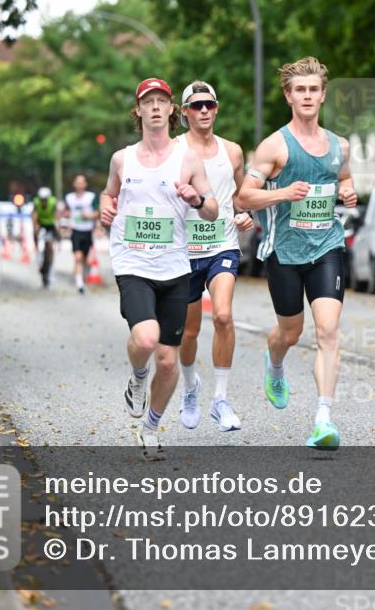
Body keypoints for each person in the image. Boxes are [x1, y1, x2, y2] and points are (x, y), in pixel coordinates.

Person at [237, 57, 357, 450]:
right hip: (284, 252)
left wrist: (349, 191)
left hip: (327, 247)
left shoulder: (339, 146)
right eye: (299, 90)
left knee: (327, 331)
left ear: (323, 95)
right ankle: (275, 367)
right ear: (289, 96)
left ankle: (323, 419)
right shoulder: (275, 145)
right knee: (290, 333)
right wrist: (283, 193)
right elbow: (244, 195)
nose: (307, 96)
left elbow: (343, 178)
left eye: (313, 90)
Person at [100, 77, 219, 461]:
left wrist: (197, 198)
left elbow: (213, 209)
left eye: (161, 101)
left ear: (171, 111)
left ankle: (150, 428)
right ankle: (137, 378)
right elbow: (109, 193)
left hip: (174, 267)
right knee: (147, 340)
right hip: (133, 263)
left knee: (168, 360)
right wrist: (105, 207)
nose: (154, 106)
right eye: (147, 101)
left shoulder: (188, 160)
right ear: (138, 111)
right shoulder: (122, 158)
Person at [175, 81, 255, 433]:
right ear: (184, 114)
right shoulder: (174, 152)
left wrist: (245, 214)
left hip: (222, 245)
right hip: (183, 251)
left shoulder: (232, 151)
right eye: (196, 106)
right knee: (188, 332)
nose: (203, 110)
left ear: (217, 109)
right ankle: (191, 387)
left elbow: (242, 194)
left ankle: (220, 399)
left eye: (209, 104)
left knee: (223, 316)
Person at [64, 174, 99, 294]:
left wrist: (90, 216)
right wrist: (66, 220)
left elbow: (97, 212)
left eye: (81, 182)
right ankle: (79, 283)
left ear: (85, 184)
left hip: (87, 230)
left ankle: (83, 278)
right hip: (76, 230)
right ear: (74, 184)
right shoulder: (69, 198)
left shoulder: (91, 197)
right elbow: (65, 212)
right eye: (77, 182)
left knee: (85, 259)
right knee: (77, 257)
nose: (79, 184)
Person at [32, 187, 59, 288]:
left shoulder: (53, 202)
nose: (43, 202)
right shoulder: (36, 202)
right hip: (40, 223)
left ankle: (51, 270)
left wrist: (58, 227)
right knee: (35, 234)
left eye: (45, 200)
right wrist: (35, 227)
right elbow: (34, 215)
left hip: (50, 225)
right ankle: (37, 253)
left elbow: (56, 215)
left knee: (50, 247)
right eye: (41, 200)